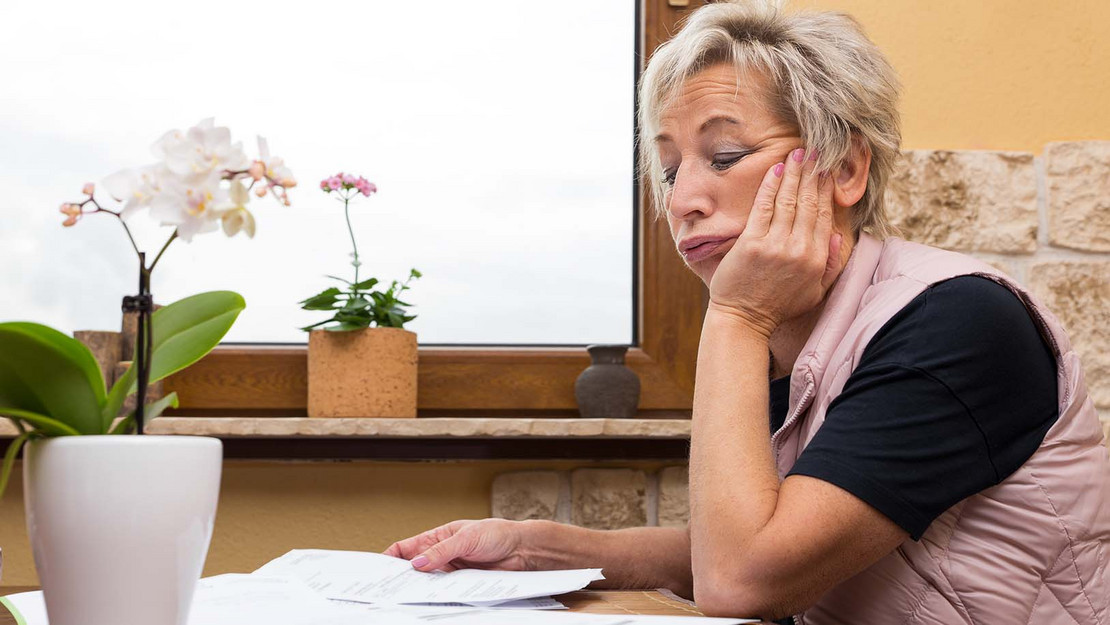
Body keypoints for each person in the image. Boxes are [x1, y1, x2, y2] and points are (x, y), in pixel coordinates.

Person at [386, 2, 1110, 622]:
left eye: (725, 154)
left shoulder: (961, 323)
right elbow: (760, 539)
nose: (682, 199)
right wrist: (540, 548)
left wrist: (734, 315)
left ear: (846, 169)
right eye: (671, 169)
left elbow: (742, 578)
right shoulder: (791, 334)